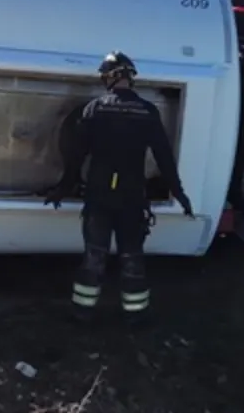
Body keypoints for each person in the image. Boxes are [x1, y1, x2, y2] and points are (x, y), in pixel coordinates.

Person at [44, 51, 194, 323]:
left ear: (110, 78)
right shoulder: (148, 112)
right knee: (132, 258)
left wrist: (62, 188)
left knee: (94, 256)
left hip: (99, 196)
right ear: (130, 77)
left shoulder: (94, 109)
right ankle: (135, 318)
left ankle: (82, 314)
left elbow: (76, 156)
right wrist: (179, 193)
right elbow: (164, 157)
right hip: (132, 197)